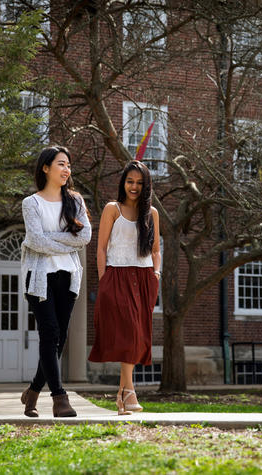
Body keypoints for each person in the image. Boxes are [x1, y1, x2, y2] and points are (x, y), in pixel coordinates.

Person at [20, 146, 91, 418]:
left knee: (58, 338)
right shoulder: (32, 203)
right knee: (49, 332)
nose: (66, 170)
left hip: (69, 275)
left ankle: (33, 391)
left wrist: (49, 240)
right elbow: (34, 241)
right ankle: (59, 398)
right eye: (61, 164)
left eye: (68, 165)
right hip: (39, 276)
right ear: (45, 168)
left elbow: (83, 239)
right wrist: (65, 241)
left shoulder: (76, 201)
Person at [89, 160, 161, 415]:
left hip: (143, 278)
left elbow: (155, 251)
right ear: (123, 182)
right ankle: (130, 391)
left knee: (137, 335)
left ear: (146, 186)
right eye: (130, 181)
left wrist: (156, 275)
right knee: (129, 332)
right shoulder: (112, 209)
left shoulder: (151, 213)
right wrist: (104, 279)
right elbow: (100, 248)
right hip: (116, 275)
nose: (134, 186)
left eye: (139, 183)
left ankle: (122, 396)